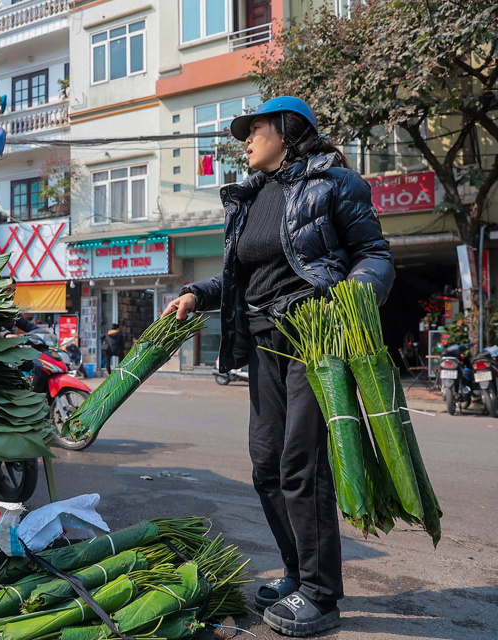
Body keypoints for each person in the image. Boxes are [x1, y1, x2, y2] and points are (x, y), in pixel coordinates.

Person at [164, 97, 394, 637]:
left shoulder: (333, 182)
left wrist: (354, 297)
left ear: (287, 132)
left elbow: (374, 253)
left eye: (255, 129)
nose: (245, 139)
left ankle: (320, 593)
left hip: (315, 339)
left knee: (301, 465)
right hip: (264, 343)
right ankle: (296, 572)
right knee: (266, 464)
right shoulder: (249, 198)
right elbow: (247, 280)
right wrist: (199, 292)